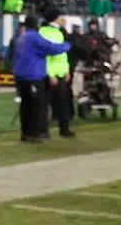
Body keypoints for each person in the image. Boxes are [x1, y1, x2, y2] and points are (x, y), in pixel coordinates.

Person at [11, 13, 68, 143]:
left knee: (25, 106)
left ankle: (25, 133)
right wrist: (66, 46)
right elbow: (51, 48)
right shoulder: (34, 38)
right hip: (33, 75)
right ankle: (36, 133)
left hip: (21, 76)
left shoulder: (21, 37)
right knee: (37, 105)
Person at [40, 10, 75, 138]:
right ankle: (43, 130)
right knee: (45, 104)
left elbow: (62, 55)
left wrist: (66, 70)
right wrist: (50, 74)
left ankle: (64, 128)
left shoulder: (59, 33)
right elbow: (46, 56)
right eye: (61, 17)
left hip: (60, 72)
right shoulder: (44, 32)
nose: (64, 20)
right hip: (50, 74)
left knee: (62, 102)